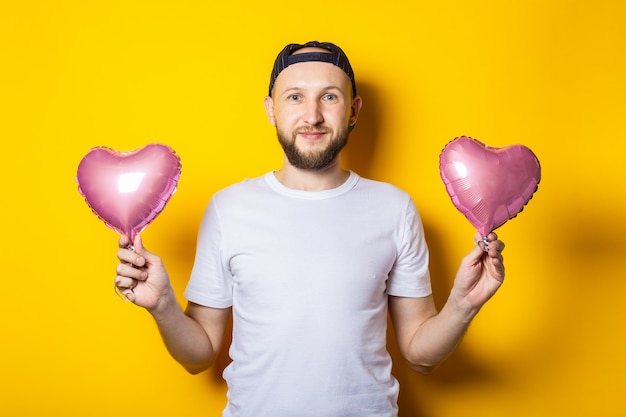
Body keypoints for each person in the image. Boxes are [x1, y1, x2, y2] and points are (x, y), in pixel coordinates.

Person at [114, 41, 505, 417]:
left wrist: (463, 305)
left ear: (353, 111)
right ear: (271, 109)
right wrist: (163, 306)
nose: (313, 115)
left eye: (330, 97)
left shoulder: (394, 208)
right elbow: (199, 355)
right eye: (295, 97)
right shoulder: (229, 208)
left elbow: (420, 355)